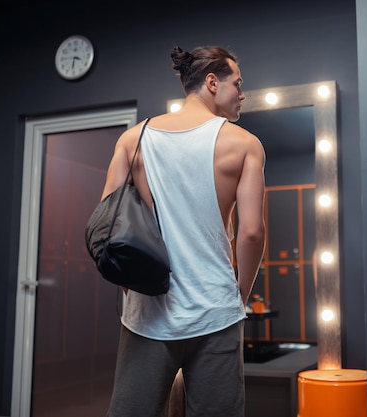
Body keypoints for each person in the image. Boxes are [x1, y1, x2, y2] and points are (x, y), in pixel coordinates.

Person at [104, 45, 266, 417]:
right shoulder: (244, 144)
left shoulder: (134, 139)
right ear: (212, 82)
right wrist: (237, 298)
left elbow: (108, 228)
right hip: (215, 312)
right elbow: (252, 232)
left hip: (148, 312)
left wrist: (132, 290)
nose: (242, 94)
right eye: (237, 84)